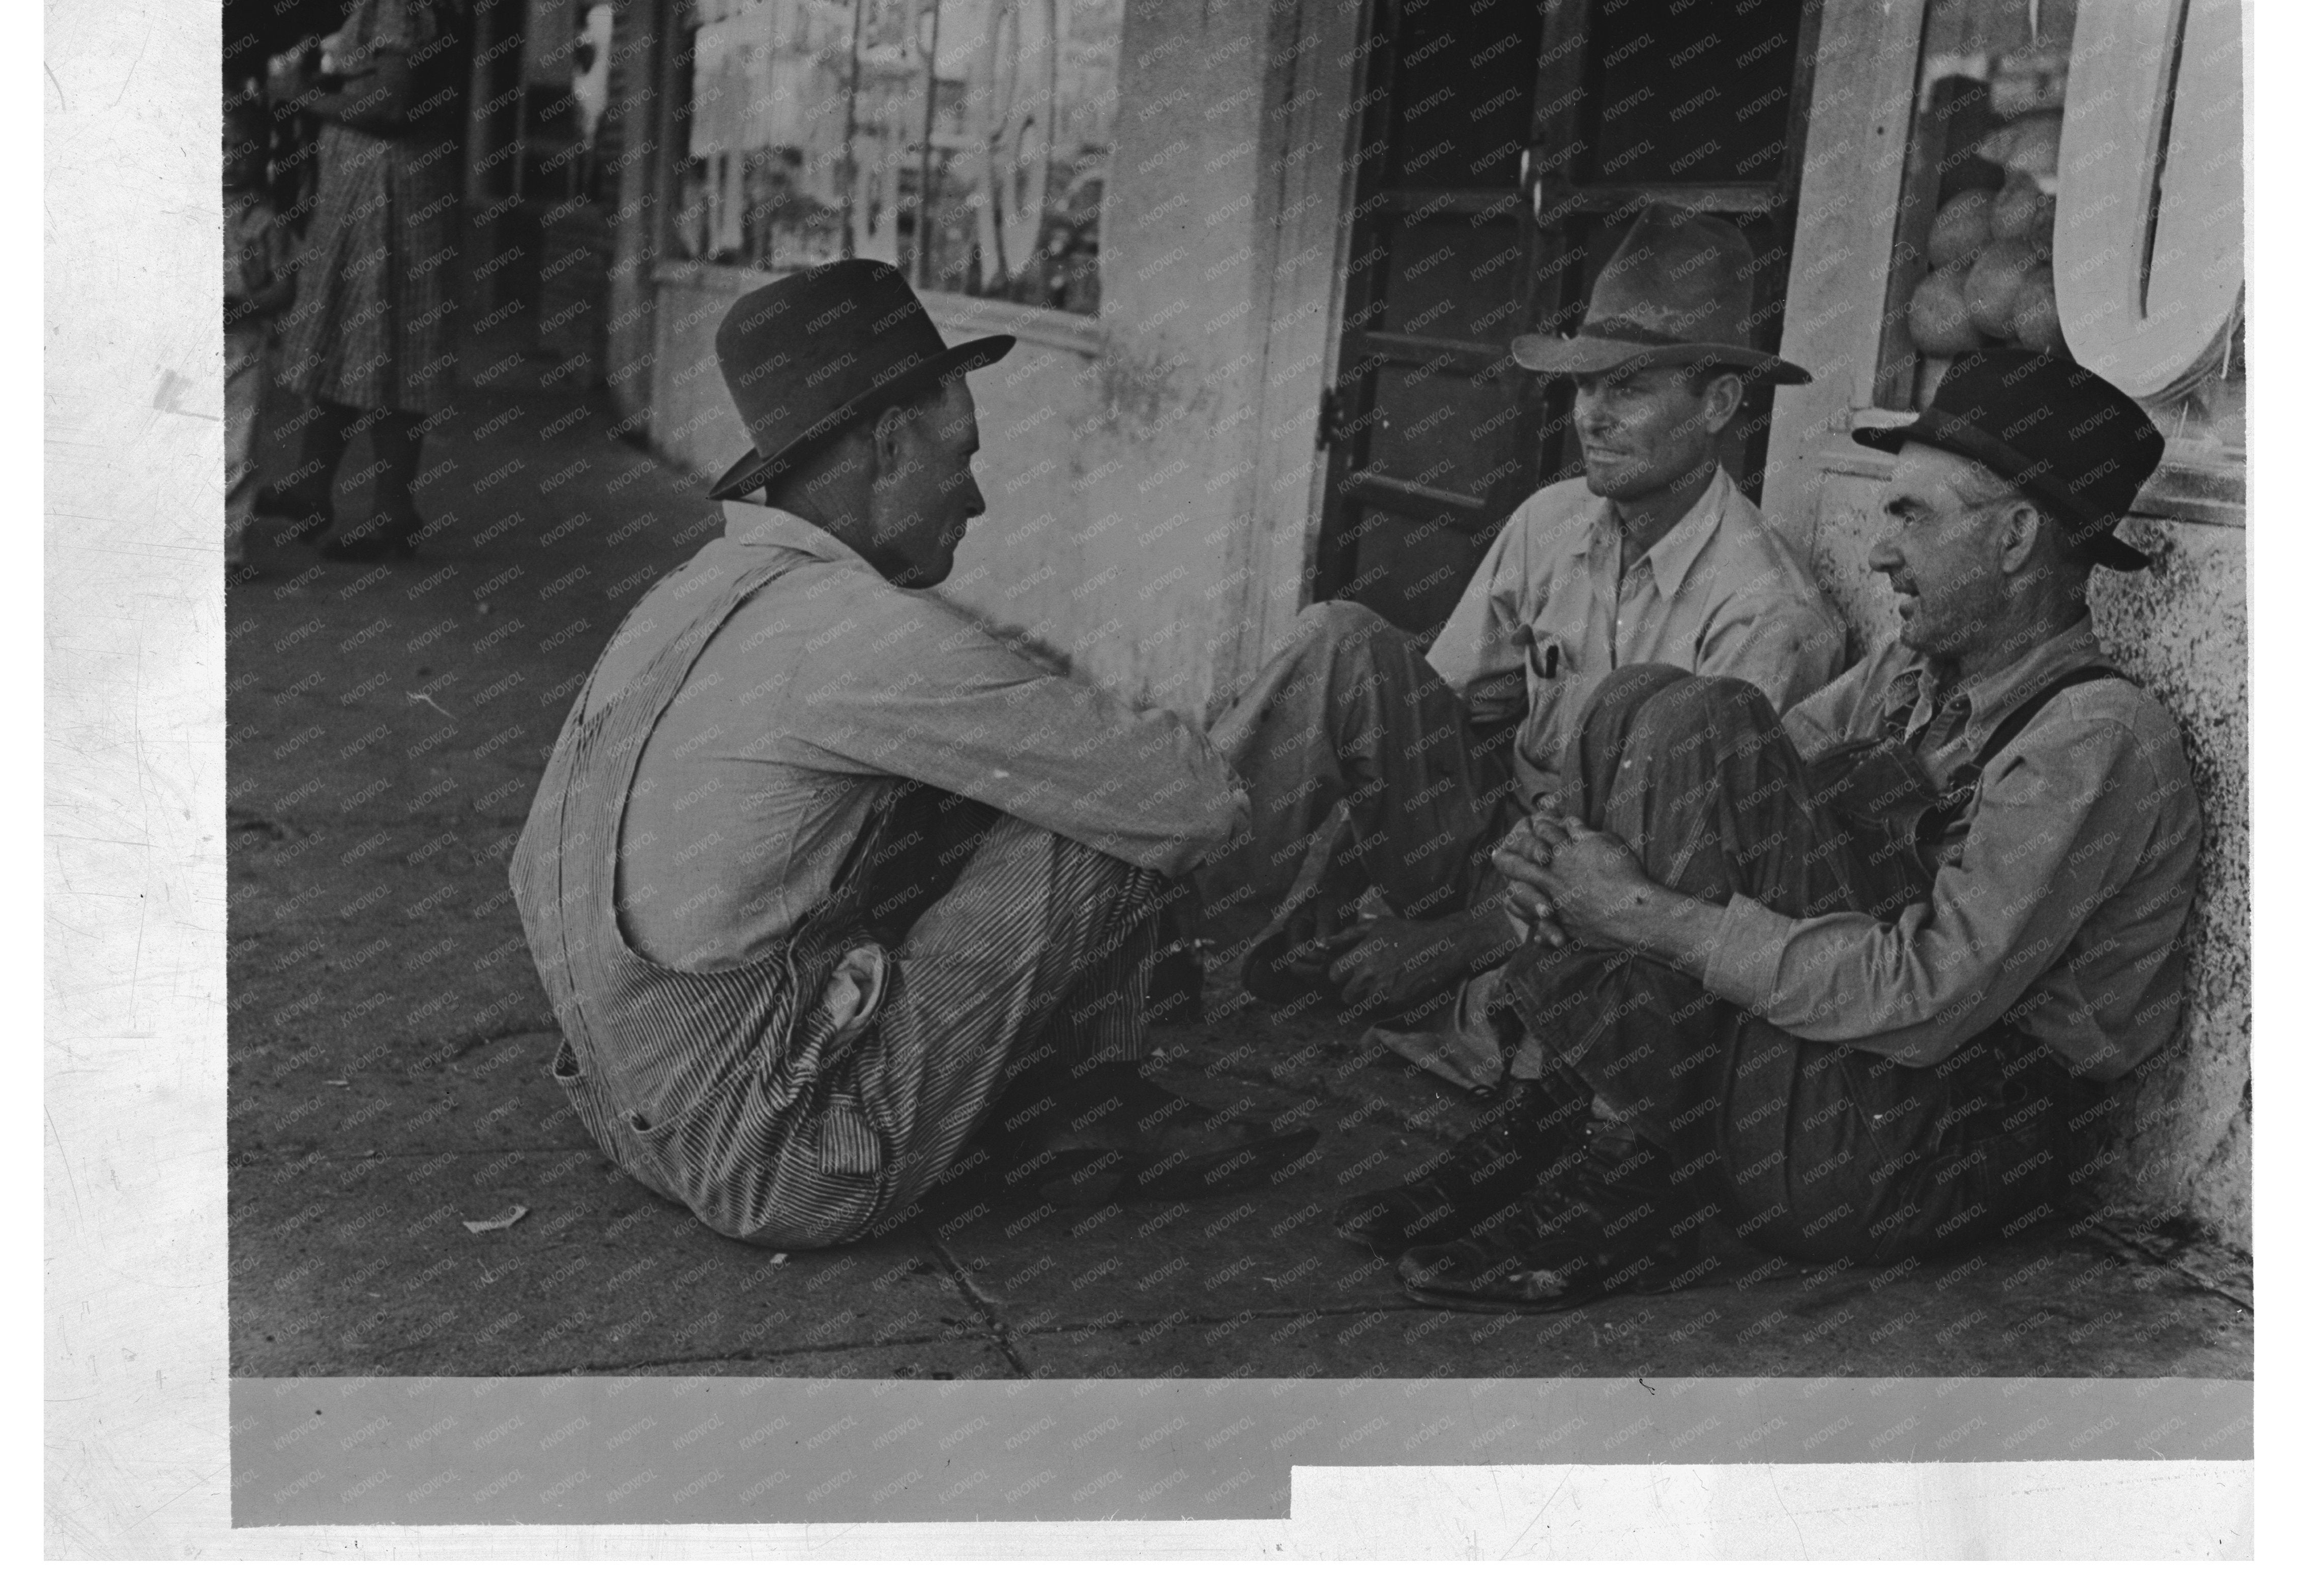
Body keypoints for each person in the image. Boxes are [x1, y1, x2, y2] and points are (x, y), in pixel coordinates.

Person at [1339, 349, 2202, 1312]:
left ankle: (1622, 1169)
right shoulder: (1909, 675)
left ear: (2014, 539)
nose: (1879, 552)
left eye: (1912, 515)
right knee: (1645, 705)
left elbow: (1932, 996)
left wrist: (1641, 914)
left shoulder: (2093, 738)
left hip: (1911, 1148)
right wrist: (1568, 870)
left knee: (1702, 723)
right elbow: (1698, 797)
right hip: (1816, 1096)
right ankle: (1562, 1112)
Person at [511, 260, 1316, 1251]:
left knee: (990, 778)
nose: (973, 498)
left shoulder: (697, 591)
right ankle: (1092, 1110)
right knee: (1102, 813)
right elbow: (1193, 804)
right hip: (786, 1164)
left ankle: (1061, 1097)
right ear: (888, 445)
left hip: (627, 1109)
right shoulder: (854, 632)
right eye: (960, 454)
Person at [1198, 204, 1842, 1046]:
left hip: (1616, 909)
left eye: (1630, 386)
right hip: (1498, 845)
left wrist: (1457, 939)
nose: (1590, 415)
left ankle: (1460, 995)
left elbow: (1686, 877)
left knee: (1544, 1018)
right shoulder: (1552, 520)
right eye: (1584, 383)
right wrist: (1339, 876)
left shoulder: (1769, 612)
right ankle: (1167, 913)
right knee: (1337, 636)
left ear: (1719, 400)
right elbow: (1445, 713)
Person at [257, 0, 464, 561]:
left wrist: (298, 95)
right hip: (379, 183)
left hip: (384, 188)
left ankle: (392, 512)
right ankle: (313, 485)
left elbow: (391, 104)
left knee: (384, 343)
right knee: (348, 337)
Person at [223, 75, 295, 576]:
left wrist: (249, 307)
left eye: (242, 149)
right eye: (220, 147)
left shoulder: (267, 219)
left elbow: (287, 284)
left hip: (242, 347)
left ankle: (227, 549)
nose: (230, 159)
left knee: (238, 448)